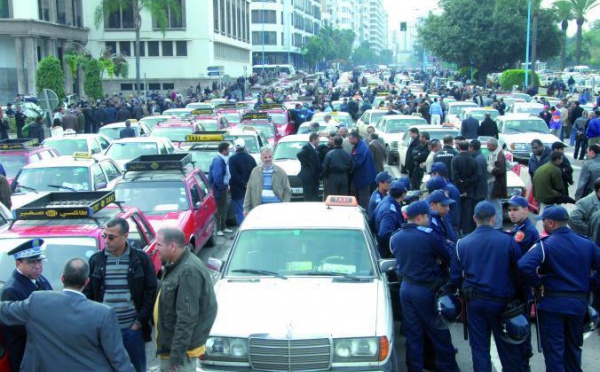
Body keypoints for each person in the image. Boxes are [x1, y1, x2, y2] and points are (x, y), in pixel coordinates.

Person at [0, 258, 135, 371]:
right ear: (86, 282)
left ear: (62, 278)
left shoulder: (38, 301)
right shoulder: (104, 313)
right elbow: (118, 358)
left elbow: (4, 311)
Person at [519, 206, 600, 372]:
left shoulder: (546, 245)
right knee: (573, 348)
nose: (543, 225)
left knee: (554, 351)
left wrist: (537, 283)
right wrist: (590, 283)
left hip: (552, 304)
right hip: (578, 304)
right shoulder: (587, 244)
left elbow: (523, 266)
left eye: (544, 222)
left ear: (551, 223)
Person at [450, 201, 526, 372]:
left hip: (475, 303)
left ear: (474, 218)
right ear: (494, 218)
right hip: (503, 302)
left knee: (480, 349)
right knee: (507, 348)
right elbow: (519, 272)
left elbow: (455, 277)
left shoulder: (462, 243)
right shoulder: (507, 241)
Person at [390, 201, 460, 372]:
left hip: (406, 288)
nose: (429, 219)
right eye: (427, 216)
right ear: (420, 217)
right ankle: (449, 368)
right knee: (438, 331)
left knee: (413, 334)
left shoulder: (396, 237)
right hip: (426, 289)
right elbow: (447, 255)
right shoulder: (428, 236)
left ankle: (415, 368)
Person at [83, 218, 158, 372]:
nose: (106, 241)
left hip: (131, 331)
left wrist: (138, 323)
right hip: (104, 332)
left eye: (111, 237)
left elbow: (151, 291)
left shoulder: (140, 259)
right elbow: (88, 293)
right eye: (104, 236)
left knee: (136, 368)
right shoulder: (96, 260)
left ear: (125, 237)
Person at [154, 227, 218, 372]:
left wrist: (176, 356)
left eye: (158, 245)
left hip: (180, 354)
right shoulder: (177, 265)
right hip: (175, 349)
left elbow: (187, 318)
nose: (155, 249)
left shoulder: (188, 271)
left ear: (172, 246)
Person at [1, 239, 53, 372]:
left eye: (39, 261)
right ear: (18, 263)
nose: (37, 266)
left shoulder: (40, 279)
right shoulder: (11, 290)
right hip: (25, 355)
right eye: (31, 262)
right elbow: (20, 327)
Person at [243, 146, 291, 215]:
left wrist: (285, 205)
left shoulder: (280, 172)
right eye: (265, 157)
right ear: (261, 158)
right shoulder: (255, 171)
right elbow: (249, 190)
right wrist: (246, 208)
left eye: (270, 157)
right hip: (259, 209)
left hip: (277, 209)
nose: (268, 159)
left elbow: (287, 190)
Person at [374, 181, 407, 258]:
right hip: (387, 253)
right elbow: (385, 234)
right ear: (403, 195)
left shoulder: (385, 200)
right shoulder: (390, 212)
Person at [228, 138, 257, 225]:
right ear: (244, 147)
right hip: (250, 190)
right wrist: (248, 184)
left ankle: (242, 230)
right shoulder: (251, 158)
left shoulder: (232, 159)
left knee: (240, 211)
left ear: (235, 148)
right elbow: (255, 173)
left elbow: (233, 174)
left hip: (237, 190)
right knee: (249, 210)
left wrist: (244, 184)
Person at [451, 140, 479, 234]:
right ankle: (467, 232)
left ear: (459, 147)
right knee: (467, 212)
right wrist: (467, 183)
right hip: (470, 189)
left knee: (457, 211)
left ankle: (458, 231)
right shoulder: (473, 160)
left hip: (458, 190)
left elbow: (455, 176)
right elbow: (476, 176)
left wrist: (461, 187)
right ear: (468, 148)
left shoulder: (455, 159)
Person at [348, 130, 376, 209]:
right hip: (361, 176)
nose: (349, 141)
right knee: (360, 197)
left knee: (363, 199)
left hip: (364, 178)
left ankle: (365, 214)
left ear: (355, 138)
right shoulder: (357, 146)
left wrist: (348, 165)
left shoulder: (361, 148)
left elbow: (357, 163)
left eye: (350, 139)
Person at [208, 142, 232, 235]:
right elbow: (217, 177)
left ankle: (223, 227)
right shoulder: (218, 161)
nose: (229, 150)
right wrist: (222, 187)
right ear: (224, 150)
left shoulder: (223, 159)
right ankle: (218, 229)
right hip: (219, 189)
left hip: (224, 187)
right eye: (228, 149)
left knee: (224, 207)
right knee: (219, 208)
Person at [486, 137, 507, 229]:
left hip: (495, 183)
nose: (487, 147)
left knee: (496, 204)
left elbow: (501, 170)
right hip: (492, 181)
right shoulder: (493, 153)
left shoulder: (499, 154)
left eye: (488, 145)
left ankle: (497, 226)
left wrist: (489, 168)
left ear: (494, 145)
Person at [297, 132, 322, 201]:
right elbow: (299, 154)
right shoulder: (307, 147)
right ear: (314, 140)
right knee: (308, 196)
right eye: (318, 140)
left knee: (314, 196)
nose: (319, 141)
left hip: (314, 177)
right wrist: (307, 165)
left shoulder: (314, 148)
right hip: (309, 177)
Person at [470, 139, 488, 206]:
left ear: (472, 148)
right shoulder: (480, 157)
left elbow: (478, 175)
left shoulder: (478, 159)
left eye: (469, 147)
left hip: (478, 192)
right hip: (481, 191)